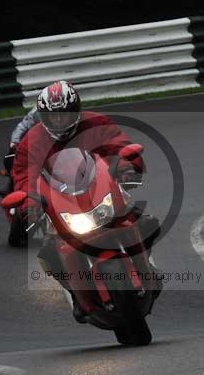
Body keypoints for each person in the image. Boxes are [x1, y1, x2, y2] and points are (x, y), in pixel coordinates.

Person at [10, 80, 161, 322]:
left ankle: (147, 268)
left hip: (101, 192)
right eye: (54, 117)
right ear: (43, 117)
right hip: (62, 203)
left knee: (145, 222)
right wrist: (30, 204)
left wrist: (126, 167)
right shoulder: (32, 140)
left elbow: (118, 144)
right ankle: (75, 293)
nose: (60, 121)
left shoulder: (96, 123)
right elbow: (24, 176)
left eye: (65, 115)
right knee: (49, 252)